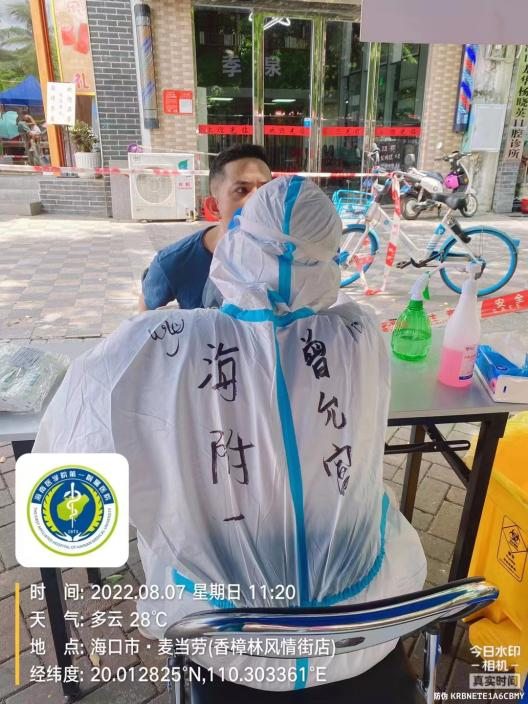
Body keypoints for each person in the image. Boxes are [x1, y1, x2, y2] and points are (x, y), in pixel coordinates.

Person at [34, 176, 426, 697]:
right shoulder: (360, 332)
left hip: (228, 643)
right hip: (360, 632)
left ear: (237, 245)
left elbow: (65, 466)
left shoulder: (154, 344)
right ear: (332, 258)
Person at [139, 143, 272, 311]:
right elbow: (144, 313)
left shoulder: (291, 254)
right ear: (214, 207)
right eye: (241, 190)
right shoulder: (174, 261)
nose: (258, 200)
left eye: (266, 190)